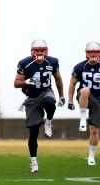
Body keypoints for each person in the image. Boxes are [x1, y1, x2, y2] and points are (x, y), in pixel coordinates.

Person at [14, 39, 65, 173]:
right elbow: (16, 83)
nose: (39, 52)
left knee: (50, 102)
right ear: (32, 51)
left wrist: (61, 96)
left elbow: (58, 79)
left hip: (46, 92)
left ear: (46, 51)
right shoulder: (24, 63)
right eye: (37, 50)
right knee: (33, 132)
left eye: (42, 50)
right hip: (32, 98)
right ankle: (34, 162)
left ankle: (48, 121)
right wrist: (26, 81)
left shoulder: (52, 62)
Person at [68, 41, 100, 166]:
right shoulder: (80, 66)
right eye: (90, 52)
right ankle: (82, 118)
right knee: (85, 90)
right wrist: (70, 100)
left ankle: (91, 156)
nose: (93, 54)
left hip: (99, 99)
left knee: (94, 130)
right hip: (85, 97)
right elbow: (72, 84)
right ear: (86, 53)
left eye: (95, 52)